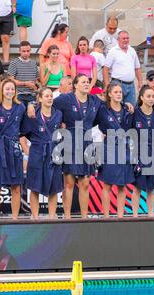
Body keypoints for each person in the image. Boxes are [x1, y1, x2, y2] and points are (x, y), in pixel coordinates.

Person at [52, 74, 102, 219]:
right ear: (75, 85)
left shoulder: (94, 100)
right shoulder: (65, 99)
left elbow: (108, 109)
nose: (86, 84)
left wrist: (127, 106)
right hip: (70, 140)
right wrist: (31, 106)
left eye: (88, 82)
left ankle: (84, 217)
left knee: (85, 182)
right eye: (83, 82)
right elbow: (48, 104)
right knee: (69, 181)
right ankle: (67, 217)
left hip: (87, 141)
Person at [0, 79, 26, 220]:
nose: (10, 92)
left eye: (12, 89)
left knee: (16, 186)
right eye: (7, 89)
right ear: (1, 90)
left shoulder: (21, 107)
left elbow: (24, 128)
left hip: (14, 148)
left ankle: (15, 218)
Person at [21, 87, 63, 219]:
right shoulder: (33, 113)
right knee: (34, 186)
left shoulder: (58, 114)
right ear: (39, 98)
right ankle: (35, 216)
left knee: (54, 186)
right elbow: (24, 131)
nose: (50, 98)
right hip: (37, 151)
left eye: (51, 96)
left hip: (53, 151)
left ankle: (52, 216)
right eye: (46, 96)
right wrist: (37, 141)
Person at [95, 83, 135, 218]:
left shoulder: (127, 109)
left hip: (124, 148)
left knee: (122, 185)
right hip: (109, 148)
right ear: (110, 94)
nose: (119, 94)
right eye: (116, 92)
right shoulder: (102, 109)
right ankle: (106, 216)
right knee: (107, 184)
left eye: (120, 92)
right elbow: (91, 121)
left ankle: (120, 216)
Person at [131, 85, 154, 217]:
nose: (151, 99)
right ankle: (134, 216)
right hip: (139, 152)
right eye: (148, 96)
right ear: (142, 97)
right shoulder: (135, 113)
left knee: (152, 188)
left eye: (153, 96)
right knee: (137, 187)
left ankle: (151, 214)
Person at [103, 30, 143, 105]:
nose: (126, 40)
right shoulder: (113, 51)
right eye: (123, 38)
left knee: (131, 109)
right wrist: (107, 84)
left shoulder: (132, 50)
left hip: (131, 85)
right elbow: (105, 69)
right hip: (117, 83)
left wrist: (140, 81)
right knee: (117, 107)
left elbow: (137, 68)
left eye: (127, 38)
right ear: (118, 40)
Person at [8, 40, 39, 107]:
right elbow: (10, 80)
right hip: (18, 95)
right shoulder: (14, 62)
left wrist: (36, 88)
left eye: (28, 51)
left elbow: (36, 80)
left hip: (32, 95)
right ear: (19, 51)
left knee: (31, 116)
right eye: (24, 51)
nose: (26, 53)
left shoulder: (34, 63)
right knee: (19, 115)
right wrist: (25, 83)